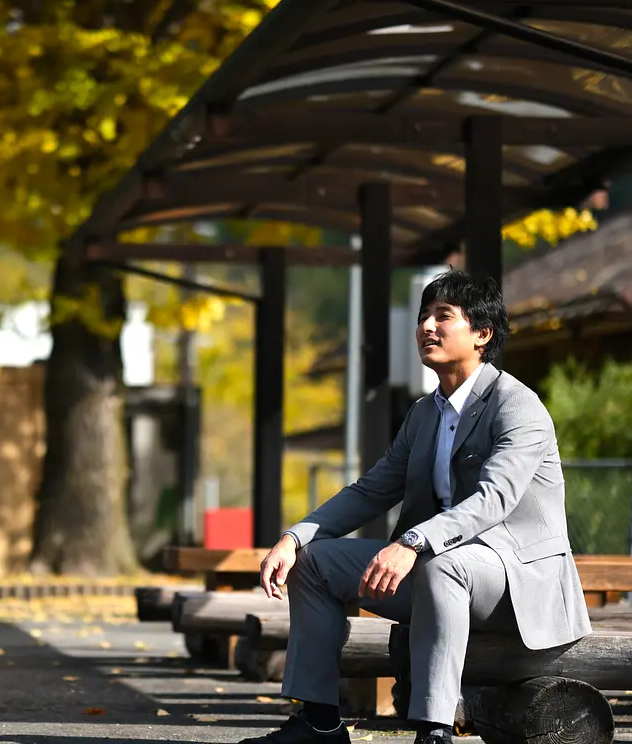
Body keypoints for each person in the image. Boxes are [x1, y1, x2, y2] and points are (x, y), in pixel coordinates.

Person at [239, 270, 591, 744]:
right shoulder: (426, 413)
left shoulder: (517, 406)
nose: (426, 326)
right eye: (424, 316)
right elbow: (371, 490)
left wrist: (412, 541)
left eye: (443, 317)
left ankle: (433, 730)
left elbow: (494, 499)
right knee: (316, 563)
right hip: (437, 571)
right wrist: (295, 536)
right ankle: (319, 722)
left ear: (482, 334)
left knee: (443, 564)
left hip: (516, 581)